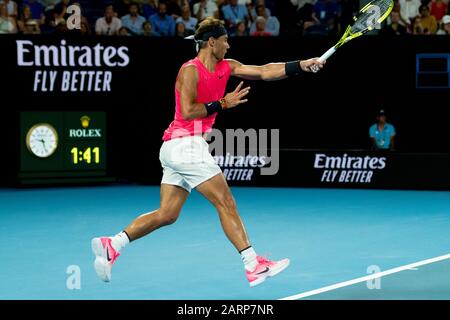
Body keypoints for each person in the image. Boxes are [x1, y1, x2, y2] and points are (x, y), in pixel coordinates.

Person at [91, 17, 325, 288]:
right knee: (226, 203)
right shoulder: (190, 70)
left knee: (168, 214)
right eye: (225, 40)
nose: (228, 45)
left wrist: (302, 65)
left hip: (174, 148)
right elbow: (189, 111)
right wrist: (223, 103)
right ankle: (253, 265)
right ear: (211, 41)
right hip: (184, 145)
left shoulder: (228, 66)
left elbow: (263, 71)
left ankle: (113, 244)